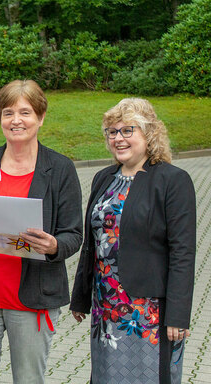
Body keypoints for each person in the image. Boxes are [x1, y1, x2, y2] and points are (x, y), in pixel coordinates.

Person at [0, 79, 83, 384]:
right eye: (8, 112)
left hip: (33, 298)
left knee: (28, 379)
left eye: (25, 112)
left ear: (40, 117)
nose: (16, 120)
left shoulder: (60, 169)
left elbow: (73, 234)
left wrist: (53, 246)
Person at [70, 98, 196, 383]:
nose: (118, 138)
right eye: (112, 132)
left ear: (149, 134)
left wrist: (178, 313)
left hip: (147, 309)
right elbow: (92, 243)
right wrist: (80, 297)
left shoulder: (172, 180)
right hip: (106, 304)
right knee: (107, 375)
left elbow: (183, 252)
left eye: (128, 130)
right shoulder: (104, 178)